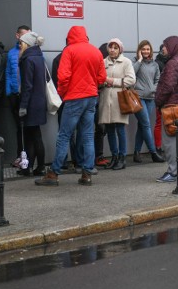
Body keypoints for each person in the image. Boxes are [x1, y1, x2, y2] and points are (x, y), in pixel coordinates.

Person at [36, 26, 106, 187]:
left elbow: (63, 76)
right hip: (91, 97)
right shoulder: (95, 51)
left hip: (74, 98)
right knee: (88, 136)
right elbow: (102, 77)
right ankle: (87, 173)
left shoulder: (69, 51)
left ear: (69, 37)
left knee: (64, 136)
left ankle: (53, 173)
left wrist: (62, 93)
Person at [154, 35, 178, 182]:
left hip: (170, 107)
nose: (164, 49)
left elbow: (168, 86)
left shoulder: (172, 64)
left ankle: (173, 172)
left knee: (170, 141)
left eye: (166, 46)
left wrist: (158, 100)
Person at [98, 39, 135, 171]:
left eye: (115, 47)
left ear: (120, 49)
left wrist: (112, 81)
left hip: (120, 100)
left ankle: (122, 157)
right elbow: (98, 79)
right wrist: (103, 83)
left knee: (120, 129)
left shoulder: (126, 62)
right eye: (111, 47)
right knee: (109, 130)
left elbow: (131, 79)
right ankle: (114, 156)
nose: (112, 50)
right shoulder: (103, 62)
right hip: (106, 99)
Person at [17, 31, 48, 176]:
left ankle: (33, 167)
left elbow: (27, 86)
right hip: (39, 101)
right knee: (36, 135)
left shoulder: (28, 60)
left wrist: (23, 106)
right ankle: (34, 166)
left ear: (26, 44)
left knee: (31, 137)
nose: (19, 45)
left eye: (21, 43)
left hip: (31, 103)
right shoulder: (39, 57)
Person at [132, 40, 163, 163]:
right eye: (143, 49)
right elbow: (131, 74)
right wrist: (139, 60)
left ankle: (136, 152)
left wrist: (153, 89)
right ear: (139, 50)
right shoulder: (134, 62)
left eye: (147, 49)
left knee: (142, 125)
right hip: (138, 97)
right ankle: (153, 152)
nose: (145, 51)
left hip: (150, 98)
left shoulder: (155, 65)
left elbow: (158, 79)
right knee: (146, 124)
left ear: (151, 50)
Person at [5, 25, 31, 160]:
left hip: (27, 95)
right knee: (18, 127)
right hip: (15, 95)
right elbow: (8, 73)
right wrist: (9, 92)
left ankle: (28, 156)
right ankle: (19, 155)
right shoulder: (11, 53)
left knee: (28, 128)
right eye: (24, 35)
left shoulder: (32, 53)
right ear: (17, 36)